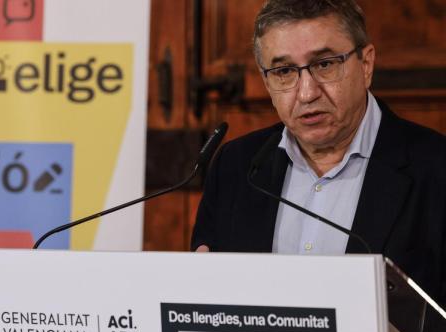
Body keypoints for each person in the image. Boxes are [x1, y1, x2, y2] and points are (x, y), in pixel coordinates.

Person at [191, 0, 446, 306]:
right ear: (266, 81)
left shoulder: (436, 168)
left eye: (325, 64)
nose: (307, 92)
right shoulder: (236, 166)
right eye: (284, 71)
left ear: (366, 65)